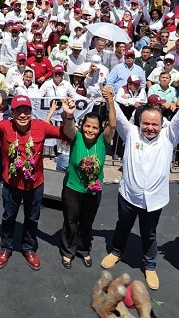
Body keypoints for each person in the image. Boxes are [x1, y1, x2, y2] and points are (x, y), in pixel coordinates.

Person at [100, 87, 179, 290]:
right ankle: (117, 252)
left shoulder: (169, 137)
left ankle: (150, 265)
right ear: (139, 123)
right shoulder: (131, 134)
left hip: (154, 200)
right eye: (146, 123)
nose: (150, 128)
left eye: (155, 124)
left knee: (150, 234)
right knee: (123, 226)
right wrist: (110, 98)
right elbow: (118, 117)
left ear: (162, 124)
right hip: (128, 196)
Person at [0, 94, 76, 270]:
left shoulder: (40, 127)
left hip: (35, 185)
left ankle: (28, 248)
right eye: (18, 110)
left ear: (31, 112)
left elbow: (68, 134)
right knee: (8, 217)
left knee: (32, 218)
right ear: (12, 112)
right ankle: (6, 247)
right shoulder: (5, 126)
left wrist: (69, 115)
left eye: (26, 110)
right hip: (11, 184)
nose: (22, 115)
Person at [59, 87, 117, 269]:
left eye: (94, 127)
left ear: (100, 130)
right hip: (72, 188)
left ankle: (84, 249)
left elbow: (113, 126)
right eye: (87, 126)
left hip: (93, 191)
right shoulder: (76, 136)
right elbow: (68, 128)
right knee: (70, 220)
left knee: (87, 221)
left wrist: (111, 101)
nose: (90, 130)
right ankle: (68, 251)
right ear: (82, 126)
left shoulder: (102, 141)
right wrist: (69, 115)